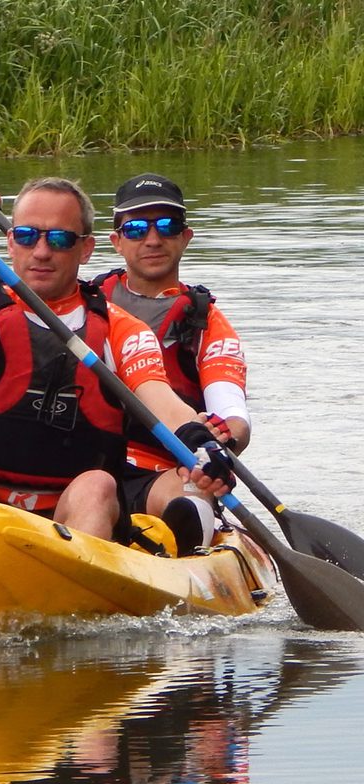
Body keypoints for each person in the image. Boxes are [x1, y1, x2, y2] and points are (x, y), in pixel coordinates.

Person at [0, 175, 230, 539]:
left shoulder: (121, 329)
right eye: (27, 236)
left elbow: (160, 401)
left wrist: (202, 443)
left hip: (71, 517)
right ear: (10, 242)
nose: (41, 251)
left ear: (85, 249)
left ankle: (84, 586)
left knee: (98, 485)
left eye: (59, 239)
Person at [91, 173, 249, 549]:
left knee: (189, 492)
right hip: (86, 467)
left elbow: (232, 412)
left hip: (166, 472)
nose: (152, 239)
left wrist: (223, 439)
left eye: (167, 225)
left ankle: (190, 531)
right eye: (136, 229)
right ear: (115, 242)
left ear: (185, 236)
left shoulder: (205, 321)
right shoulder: (84, 305)